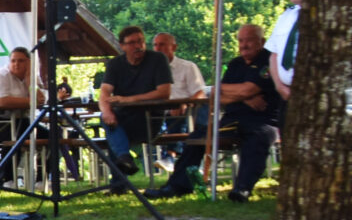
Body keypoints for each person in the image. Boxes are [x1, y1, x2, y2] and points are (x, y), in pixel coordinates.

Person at [162, 22, 283, 201]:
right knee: (196, 137)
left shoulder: (269, 61)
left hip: (263, 120)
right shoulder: (235, 64)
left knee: (258, 138)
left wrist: (237, 92)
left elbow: (247, 89)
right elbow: (217, 95)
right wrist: (244, 96)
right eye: (241, 40)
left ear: (262, 41)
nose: (244, 45)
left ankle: (242, 189)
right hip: (231, 120)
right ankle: (176, 186)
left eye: (249, 40)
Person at [96, 26, 172, 192]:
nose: (138, 46)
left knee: (114, 134)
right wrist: (106, 111)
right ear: (122, 46)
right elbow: (104, 91)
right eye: (132, 43)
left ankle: (119, 179)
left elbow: (164, 92)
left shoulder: (158, 59)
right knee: (109, 121)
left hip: (150, 118)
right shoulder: (115, 64)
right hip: (124, 118)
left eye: (141, 41)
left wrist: (129, 99)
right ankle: (124, 160)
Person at [152, 32, 208, 163]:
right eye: (155, 45)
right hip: (157, 114)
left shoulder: (187, 67)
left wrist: (185, 104)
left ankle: (170, 156)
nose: (158, 48)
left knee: (178, 115)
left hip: (185, 113)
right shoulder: (150, 71)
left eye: (162, 44)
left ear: (174, 47)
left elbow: (200, 93)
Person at [266, 0, 302, 99]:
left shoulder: (322, 17)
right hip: (285, 93)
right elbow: (273, 54)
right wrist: (279, 86)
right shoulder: (286, 16)